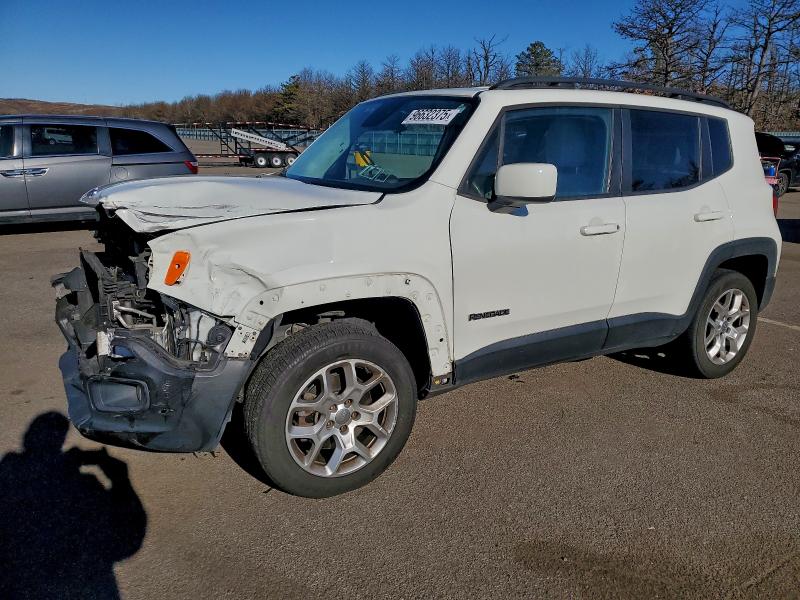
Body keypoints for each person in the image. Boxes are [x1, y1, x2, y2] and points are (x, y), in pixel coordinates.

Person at [0, 412, 147, 599]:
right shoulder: (85, 488)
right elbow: (129, 538)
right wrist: (121, 481)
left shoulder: (10, 476)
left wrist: (65, 463)